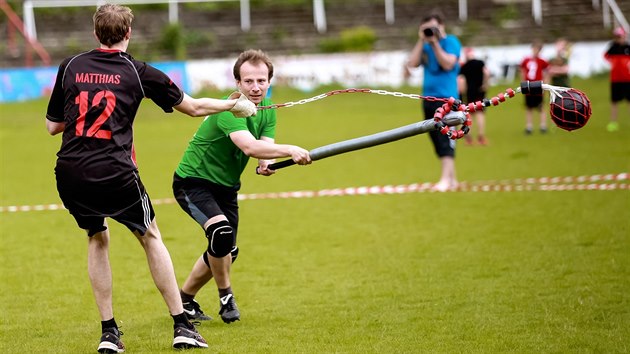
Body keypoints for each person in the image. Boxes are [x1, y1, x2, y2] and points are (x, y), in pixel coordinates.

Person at [45, 4, 256, 353]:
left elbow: (53, 126)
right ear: (128, 33)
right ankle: (181, 325)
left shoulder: (70, 65)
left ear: (96, 34)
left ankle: (109, 333)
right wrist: (231, 105)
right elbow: (192, 107)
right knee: (150, 236)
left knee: (97, 238)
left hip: (70, 171)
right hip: (114, 171)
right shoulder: (138, 70)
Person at [172, 49, 311, 324]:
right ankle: (226, 298)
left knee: (226, 249)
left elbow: (263, 146)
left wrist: (264, 162)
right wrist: (291, 149)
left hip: (226, 186)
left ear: (269, 81)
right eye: (248, 81)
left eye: (261, 80)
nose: (255, 87)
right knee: (220, 234)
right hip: (193, 181)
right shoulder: (229, 108)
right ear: (237, 83)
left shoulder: (268, 109)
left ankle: (185, 299)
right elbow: (248, 145)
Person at [406, 13, 461, 192]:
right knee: (436, 139)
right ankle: (452, 179)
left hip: (447, 101)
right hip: (428, 99)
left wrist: (436, 42)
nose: (431, 32)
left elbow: (447, 64)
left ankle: (445, 179)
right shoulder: (425, 46)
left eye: (433, 27)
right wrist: (421, 40)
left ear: (442, 26)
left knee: (446, 138)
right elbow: (412, 64)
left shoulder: (451, 42)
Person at [458, 47, 491, 146]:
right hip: (480, 92)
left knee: (469, 115)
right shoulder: (480, 63)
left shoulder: (464, 66)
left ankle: (468, 138)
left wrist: (462, 92)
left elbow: (461, 81)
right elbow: (487, 73)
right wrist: (485, 84)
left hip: (469, 93)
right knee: (480, 113)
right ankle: (481, 137)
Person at [519, 40, 549, 135]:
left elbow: (547, 72)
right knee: (529, 107)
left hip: (538, 85)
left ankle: (543, 125)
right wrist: (523, 82)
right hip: (528, 86)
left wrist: (545, 84)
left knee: (540, 106)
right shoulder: (526, 60)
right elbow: (522, 71)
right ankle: (529, 126)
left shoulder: (542, 61)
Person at [604, 26, 630, 132]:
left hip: (627, 79)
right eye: (617, 37)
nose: (619, 39)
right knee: (614, 102)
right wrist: (614, 64)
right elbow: (605, 56)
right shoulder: (612, 47)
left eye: (620, 36)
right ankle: (613, 122)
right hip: (615, 79)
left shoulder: (628, 48)